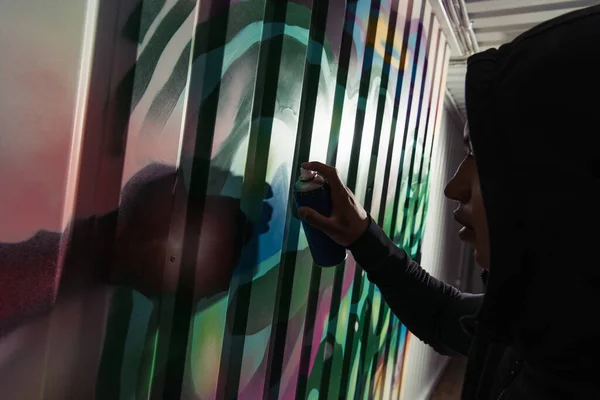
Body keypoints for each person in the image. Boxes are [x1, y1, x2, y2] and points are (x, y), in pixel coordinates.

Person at [297, 5, 600, 399]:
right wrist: (362, 236)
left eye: (480, 156)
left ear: (564, 187)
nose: (453, 187)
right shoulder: (540, 321)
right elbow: (444, 315)